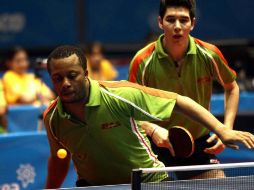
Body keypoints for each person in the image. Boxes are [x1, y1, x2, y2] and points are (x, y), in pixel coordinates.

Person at [44, 45, 254, 188]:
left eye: (72, 76)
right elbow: (59, 158)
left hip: (146, 183)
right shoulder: (53, 118)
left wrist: (222, 129)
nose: (65, 83)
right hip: (95, 186)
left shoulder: (120, 95)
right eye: (57, 78)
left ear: (86, 73)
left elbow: (179, 101)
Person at [128, 0, 240, 179]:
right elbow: (131, 109)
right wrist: (152, 129)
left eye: (184, 20)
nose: (177, 26)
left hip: (197, 143)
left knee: (220, 185)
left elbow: (232, 87)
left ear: (193, 23)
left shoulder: (209, 54)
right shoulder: (142, 61)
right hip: (155, 143)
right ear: (160, 22)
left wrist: (225, 128)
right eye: (170, 20)